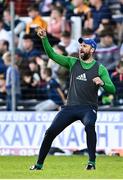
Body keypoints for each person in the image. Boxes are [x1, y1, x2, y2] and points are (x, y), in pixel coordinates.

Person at [30, 27, 116, 170]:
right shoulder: (72, 62)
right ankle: (39, 165)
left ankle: (91, 163)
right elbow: (51, 55)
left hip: (88, 108)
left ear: (92, 50)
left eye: (85, 46)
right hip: (70, 107)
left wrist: (102, 83)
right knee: (50, 132)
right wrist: (44, 38)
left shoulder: (100, 69)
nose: (81, 48)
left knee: (89, 126)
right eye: (80, 45)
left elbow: (112, 89)